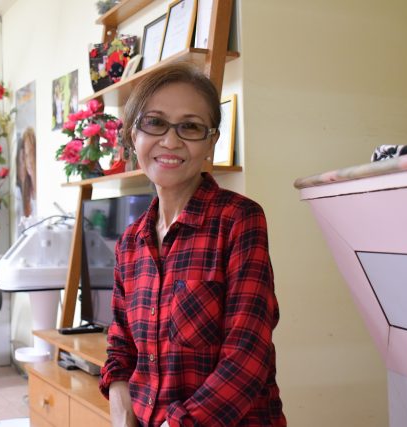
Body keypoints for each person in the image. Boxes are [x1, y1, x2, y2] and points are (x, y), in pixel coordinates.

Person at [99, 63, 286, 427]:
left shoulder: (239, 220)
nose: (171, 141)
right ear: (132, 135)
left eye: (190, 127)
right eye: (154, 122)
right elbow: (120, 345)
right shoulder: (130, 243)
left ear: (211, 142)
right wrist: (121, 409)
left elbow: (248, 355)